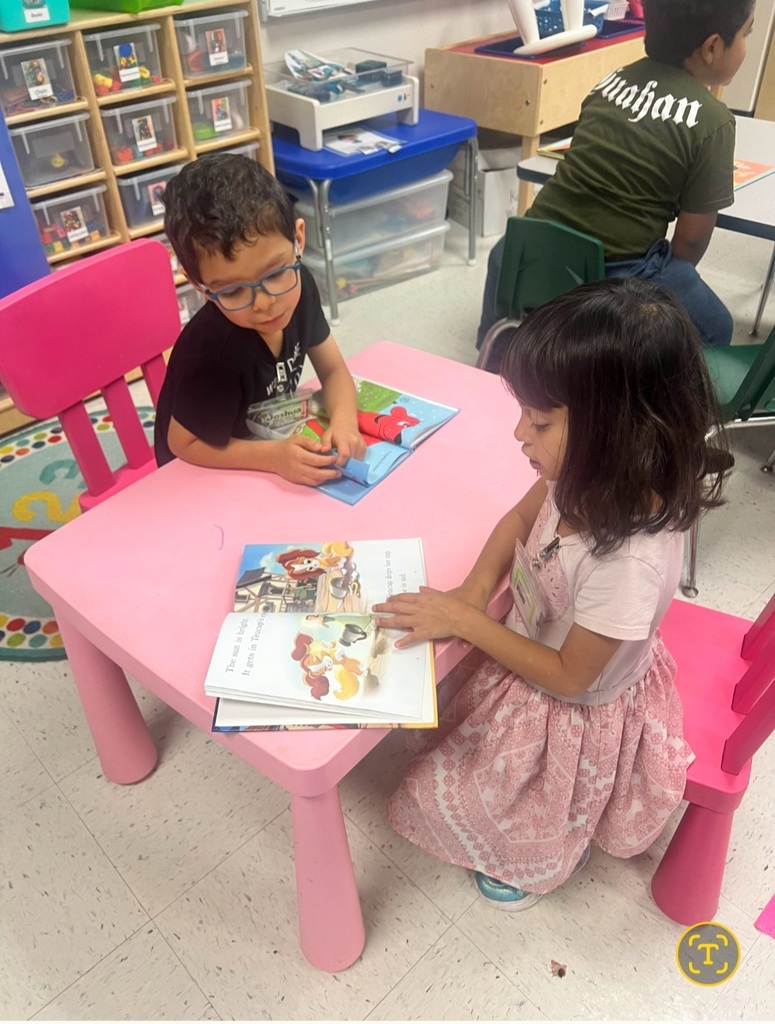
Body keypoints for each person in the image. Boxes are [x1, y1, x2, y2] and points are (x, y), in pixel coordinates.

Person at [374, 278, 727, 910]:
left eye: (539, 421)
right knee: (441, 721)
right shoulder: (581, 475)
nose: (518, 434)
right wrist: (475, 591)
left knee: (456, 798)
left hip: (572, 706)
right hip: (533, 645)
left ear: (618, 431)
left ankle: (547, 846)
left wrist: (466, 620)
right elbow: (516, 521)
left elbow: (568, 678)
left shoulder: (628, 562)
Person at [478, 0, 756, 352]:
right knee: (716, 327)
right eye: (746, 33)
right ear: (712, 47)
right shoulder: (713, 122)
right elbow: (690, 242)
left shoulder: (611, 81)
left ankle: (493, 362)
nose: (746, 44)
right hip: (619, 273)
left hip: (527, 251)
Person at [154, 153, 366, 484]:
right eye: (234, 291)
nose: (265, 303)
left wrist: (344, 422)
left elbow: (334, 370)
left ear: (298, 240)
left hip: (261, 438)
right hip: (202, 472)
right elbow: (183, 444)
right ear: (198, 285)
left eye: (276, 272)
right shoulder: (213, 353)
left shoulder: (301, 285)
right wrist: (272, 458)